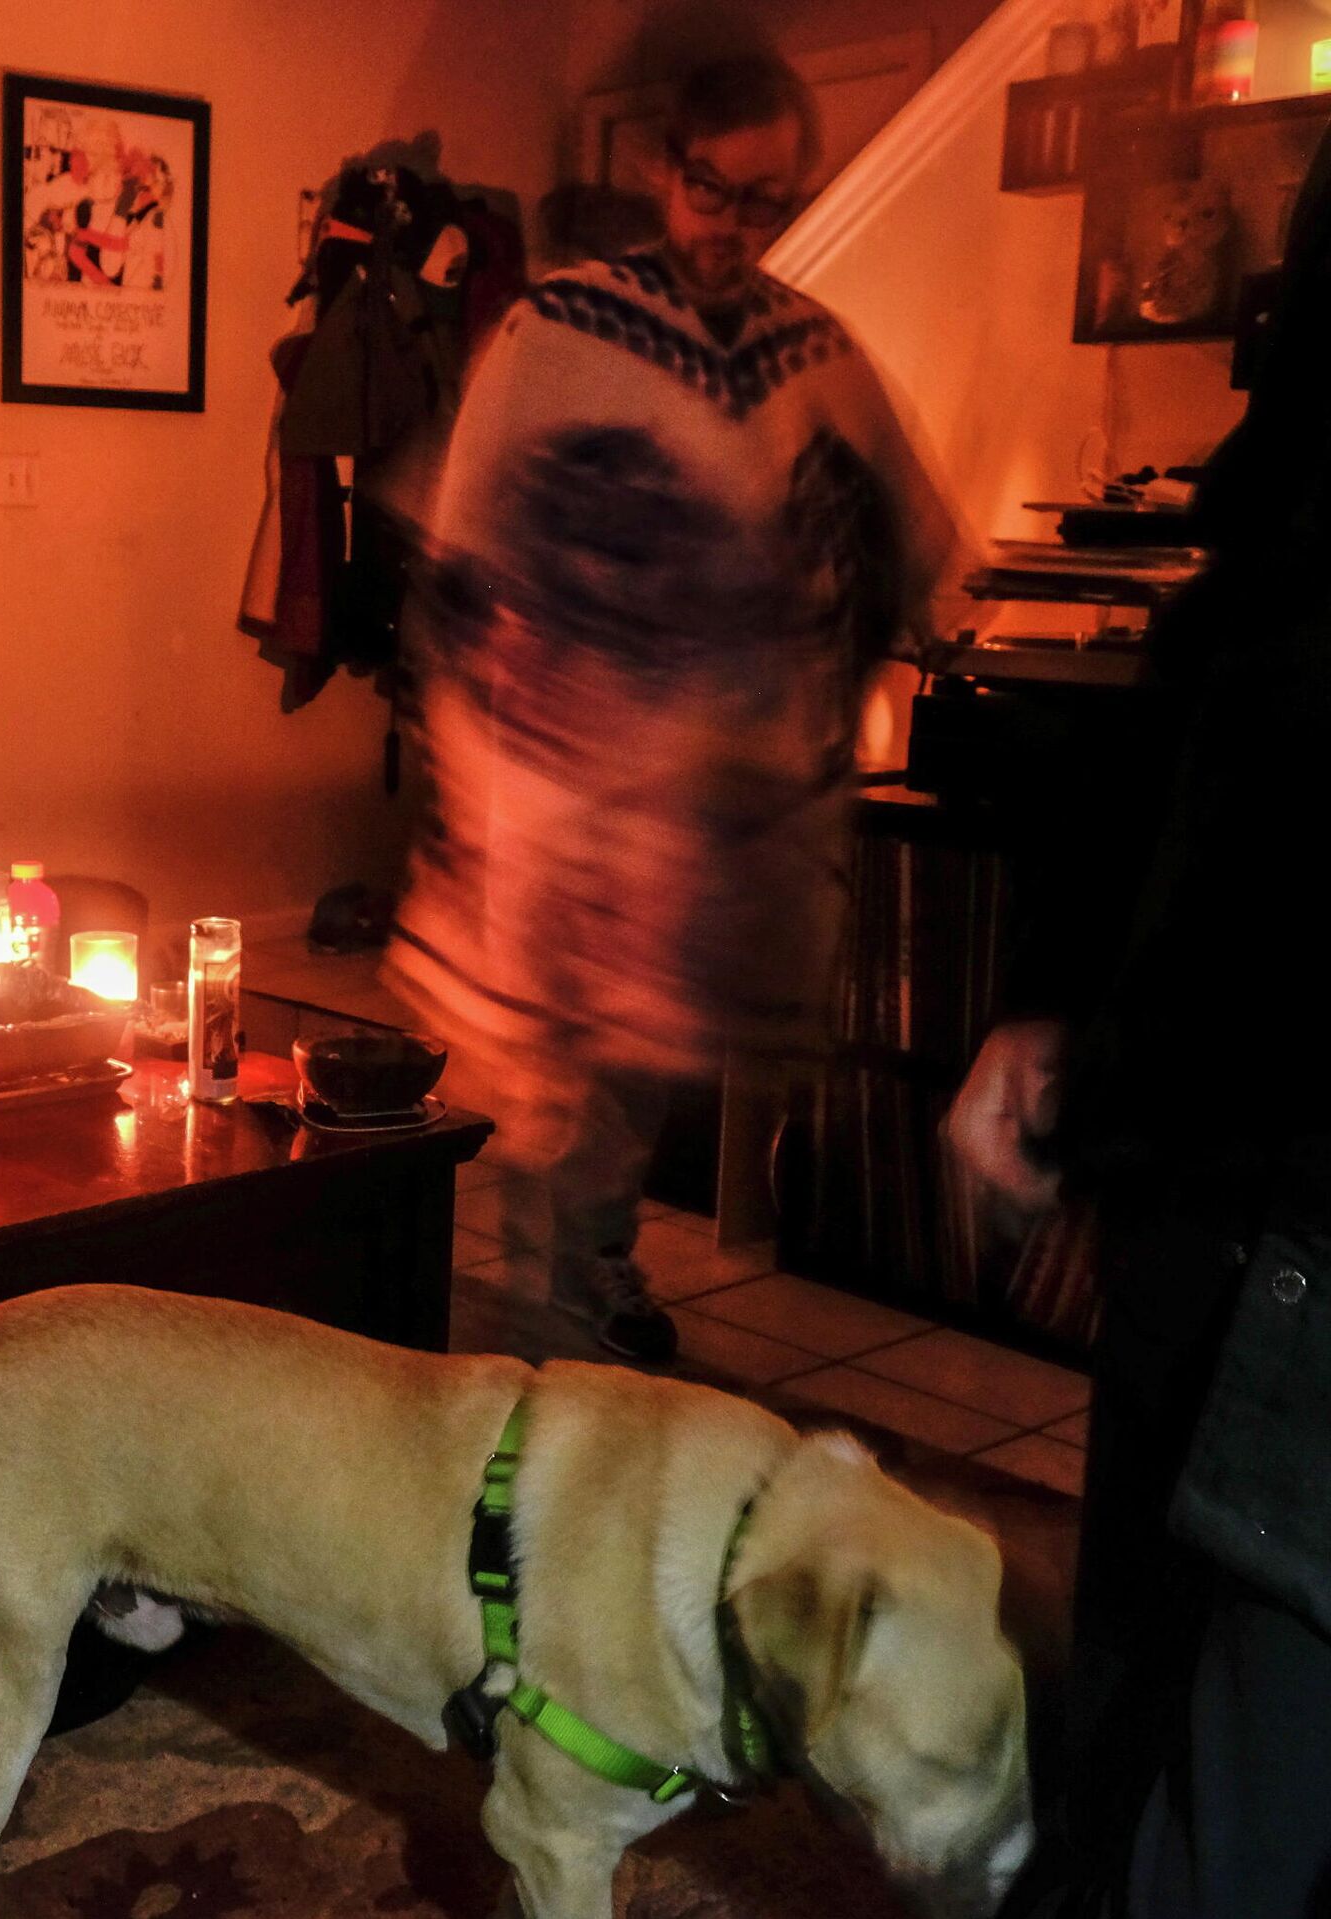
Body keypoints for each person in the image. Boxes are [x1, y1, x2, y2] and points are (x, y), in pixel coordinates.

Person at [389, 50, 958, 1362]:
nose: (735, 228)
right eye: (715, 190)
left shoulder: (810, 350)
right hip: (558, 773)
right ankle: (544, 1304)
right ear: (665, 168)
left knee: (639, 1051)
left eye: (767, 201)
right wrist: (471, 735)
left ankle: (585, 1268)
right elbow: (466, 548)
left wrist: (837, 672)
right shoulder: (560, 330)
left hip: (709, 797)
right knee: (545, 1047)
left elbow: (894, 531)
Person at [947, 126, 1331, 1919]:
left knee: (1237, 1747)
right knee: (1167, 1700)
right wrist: (1063, 1005)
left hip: (1282, 1205)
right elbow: (1219, 698)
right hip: (1221, 1172)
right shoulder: (1286, 515)